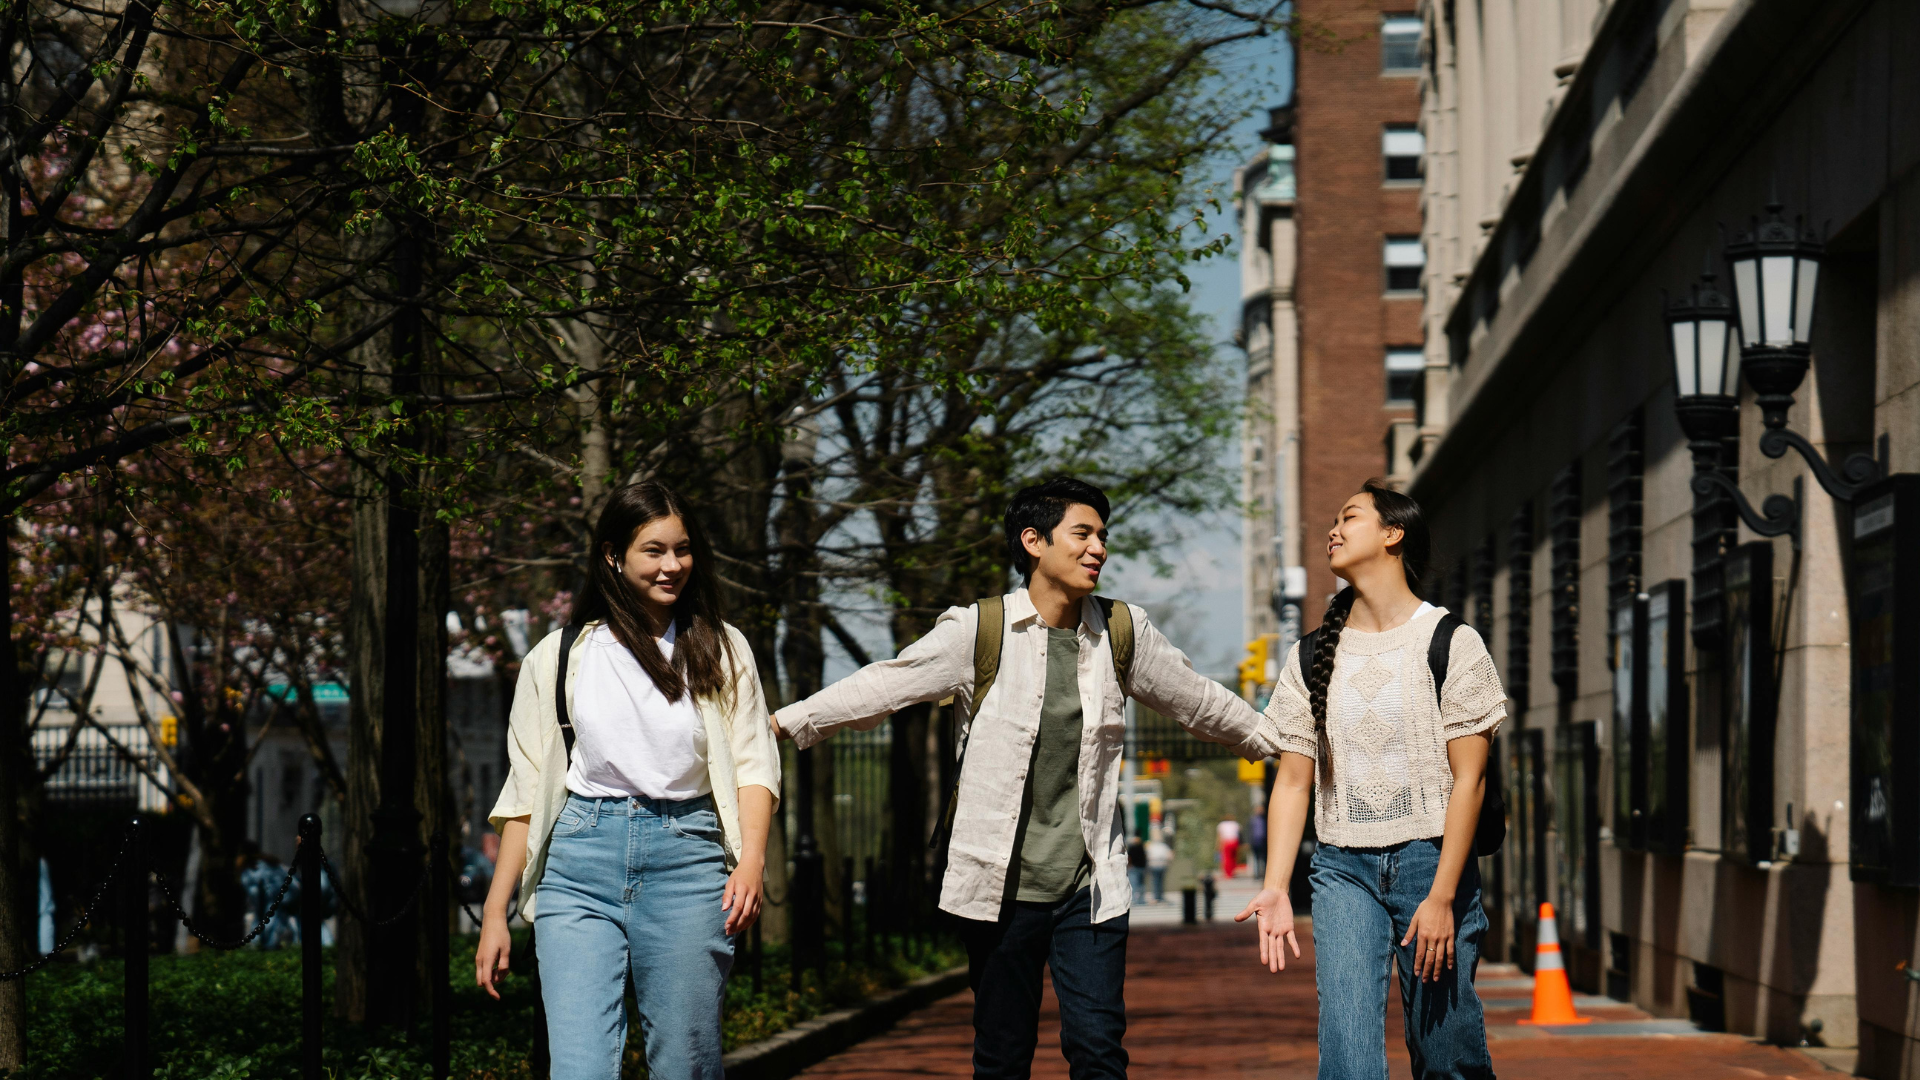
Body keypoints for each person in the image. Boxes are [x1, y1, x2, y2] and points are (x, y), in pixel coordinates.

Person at [774, 476, 1277, 1080]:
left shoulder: (1122, 630)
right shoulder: (980, 631)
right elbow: (884, 683)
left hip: (1090, 888)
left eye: (1103, 536)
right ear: (1033, 541)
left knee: (1098, 1051)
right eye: (1083, 534)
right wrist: (780, 723)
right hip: (1000, 891)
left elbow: (1199, 701)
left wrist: (1281, 744)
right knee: (1003, 1056)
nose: (1099, 549)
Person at [476, 481, 781, 1080]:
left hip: (689, 861)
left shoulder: (722, 648)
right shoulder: (558, 657)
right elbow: (526, 792)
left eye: (683, 549)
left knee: (686, 1064)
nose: (673, 566)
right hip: (578, 864)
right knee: (580, 1068)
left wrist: (749, 862)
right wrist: (495, 911)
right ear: (613, 556)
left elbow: (753, 764)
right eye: (654, 550)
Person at [1237, 479, 1504, 1080]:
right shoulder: (1311, 655)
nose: (1333, 529)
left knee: (1446, 1053)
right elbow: (1292, 783)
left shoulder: (1451, 641)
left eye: (1349, 517)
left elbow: (1471, 782)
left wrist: (1441, 897)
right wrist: (1277, 885)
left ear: (1393, 533)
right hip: (1341, 870)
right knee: (1348, 1059)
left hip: (1433, 863)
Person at [1145, 832, 1172, 903]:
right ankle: (1159, 896)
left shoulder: (1151, 846)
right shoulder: (1163, 846)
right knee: (1160, 882)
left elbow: (1147, 856)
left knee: (1155, 882)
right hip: (1161, 865)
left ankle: (1157, 896)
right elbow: (1169, 855)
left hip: (1155, 865)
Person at [1127, 834, 1147, 905]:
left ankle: (1137, 899)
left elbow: (1129, 857)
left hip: (1137, 867)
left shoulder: (1136, 847)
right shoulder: (1140, 847)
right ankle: (1138, 899)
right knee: (1138, 884)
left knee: (1137, 884)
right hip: (1137, 867)